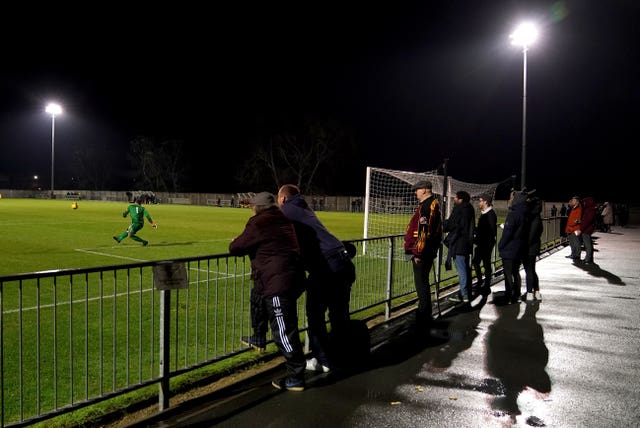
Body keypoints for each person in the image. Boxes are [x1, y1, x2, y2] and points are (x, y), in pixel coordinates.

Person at [228, 191, 307, 392]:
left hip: (278, 282)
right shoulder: (283, 219)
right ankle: (259, 337)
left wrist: (234, 241)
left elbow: (237, 247)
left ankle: (296, 375)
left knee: (283, 329)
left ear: (258, 207)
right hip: (286, 278)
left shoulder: (259, 222)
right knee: (257, 297)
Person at [277, 184, 356, 373]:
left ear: (283, 198)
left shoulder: (287, 209)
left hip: (326, 266)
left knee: (315, 314)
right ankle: (341, 355)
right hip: (342, 262)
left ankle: (323, 359)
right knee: (339, 313)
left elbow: (267, 227)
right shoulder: (303, 207)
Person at [404, 180, 442, 328]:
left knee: (421, 285)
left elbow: (423, 232)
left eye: (417, 190)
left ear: (425, 190)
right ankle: (424, 315)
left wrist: (418, 253)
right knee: (422, 284)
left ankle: (423, 317)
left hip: (421, 253)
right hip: (426, 251)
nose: (415, 192)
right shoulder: (430, 204)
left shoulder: (427, 206)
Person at [444, 191, 476, 304]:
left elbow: (451, 223)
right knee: (465, 269)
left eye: (456, 197)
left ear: (461, 199)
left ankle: (464, 295)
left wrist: (442, 225)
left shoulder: (459, 209)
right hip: (467, 243)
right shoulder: (470, 209)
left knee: (462, 270)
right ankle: (465, 292)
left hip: (459, 244)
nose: (454, 199)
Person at [497, 190, 528, 304]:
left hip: (510, 248)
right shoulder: (524, 212)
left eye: (511, 198)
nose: (509, 200)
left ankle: (508, 295)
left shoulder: (513, 213)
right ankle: (517, 294)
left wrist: (501, 245)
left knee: (508, 273)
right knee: (515, 272)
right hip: (519, 247)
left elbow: (508, 232)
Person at [472, 193, 498, 295]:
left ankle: (486, 285)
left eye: (481, 200)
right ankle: (480, 282)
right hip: (482, 243)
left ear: (486, 202)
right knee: (476, 262)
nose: (479, 202)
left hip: (486, 244)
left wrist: (479, 238)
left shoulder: (490, 214)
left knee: (486, 264)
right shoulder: (485, 213)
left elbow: (491, 231)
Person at [522, 195, 543, 301]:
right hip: (533, 247)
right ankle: (536, 291)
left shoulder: (533, 218)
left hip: (529, 248)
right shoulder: (536, 217)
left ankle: (530, 292)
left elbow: (531, 235)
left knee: (529, 270)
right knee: (531, 270)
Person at [579, 196, 597, 265]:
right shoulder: (590, 209)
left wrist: (581, 228)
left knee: (588, 245)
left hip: (587, 230)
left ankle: (588, 259)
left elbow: (587, 221)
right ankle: (589, 258)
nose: (583, 204)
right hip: (587, 229)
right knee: (588, 244)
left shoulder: (590, 210)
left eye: (584, 202)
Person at [564, 196, 583, 261]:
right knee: (572, 243)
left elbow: (576, 220)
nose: (572, 201)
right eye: (572, 200)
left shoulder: (579, 209)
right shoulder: (573, 208)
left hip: (574, 229)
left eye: (574, 200)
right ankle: (573, 254)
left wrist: (571, 224)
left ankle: (577, 255)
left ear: (577, 201)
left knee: (576, 242)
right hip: (570, 228)